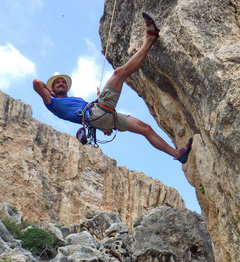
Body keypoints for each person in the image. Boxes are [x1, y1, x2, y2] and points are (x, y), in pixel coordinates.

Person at [33, 12, 193, 164]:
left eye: (62, 82)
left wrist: (104, 125)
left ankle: (178, 155)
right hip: (97, 115)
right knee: (119, 73)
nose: (61, 84)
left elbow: (84, 117)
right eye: (57, 83)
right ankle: (150, 38)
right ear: (52, 89)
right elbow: (36, 82)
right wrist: (49, 92)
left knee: (145, 128)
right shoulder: (51, 102)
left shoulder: (72, 101)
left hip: (100, 118)